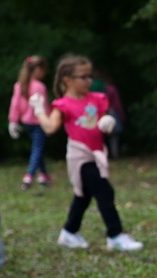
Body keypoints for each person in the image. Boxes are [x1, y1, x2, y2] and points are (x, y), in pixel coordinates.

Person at [28, 54, 143, 251]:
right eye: (83, 77)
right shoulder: (63, 105)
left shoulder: (97, 99)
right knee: (104, 191)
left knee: (84, 196)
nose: (89, 81)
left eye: (89, 76)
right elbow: (49, 128)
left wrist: (109, 122)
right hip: (80, 156)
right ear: (68, 80)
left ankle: (69, 233)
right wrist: (39, 110)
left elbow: (103, 120)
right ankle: (115, 235)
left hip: (97, 153)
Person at [8, 56, 52, 190]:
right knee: (37, 148)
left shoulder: (19, 85)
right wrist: (49, 120)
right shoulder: (39, 86)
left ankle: (43, 174)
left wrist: (13, 121)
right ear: (38, 70)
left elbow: (15, 104)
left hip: (26, 122)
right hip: (39, 121)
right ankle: (29, 176)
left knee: (37, 147)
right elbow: (43, 106)